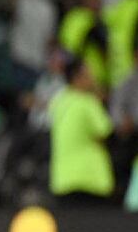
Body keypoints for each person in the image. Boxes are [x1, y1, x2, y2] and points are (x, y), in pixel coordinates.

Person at [48, 56, 115, 208]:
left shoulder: (59, 103)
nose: (93, 79)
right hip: (90, 179)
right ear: (78, 78)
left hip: (62, 179)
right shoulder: (87, 103)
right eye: (89, 74)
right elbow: (105, 133)